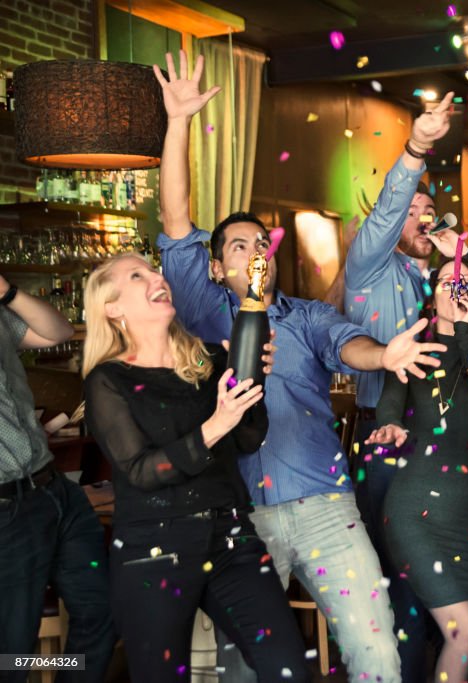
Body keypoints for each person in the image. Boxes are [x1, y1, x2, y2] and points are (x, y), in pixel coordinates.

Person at [153, 50, 447, 683]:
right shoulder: (204, 315)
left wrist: (385, 353)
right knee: (244, 666)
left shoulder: (306, 315)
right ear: (214, 266)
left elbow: (350, 345)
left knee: (374, 650)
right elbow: (175, 221)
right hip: (236, 514)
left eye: (263, 242)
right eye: (239, 244)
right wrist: (177, 122)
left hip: (323, 502)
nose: (256, 251)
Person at [81, 253, 308, 682]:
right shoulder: (108, 380)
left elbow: (247, 438)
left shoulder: (207, 359)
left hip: (231, 538)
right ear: (112, 308)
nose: (156, 277)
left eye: (153, 269)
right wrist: (213, 426)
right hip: (154, 549)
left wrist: (253, 383)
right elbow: (142, 471)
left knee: (289, 669)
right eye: (137, 275)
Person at [342, 95, 468, 682]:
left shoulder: (431, 276)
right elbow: (387, 216)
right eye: (412, 212)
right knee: (404, 596)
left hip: (459, 448)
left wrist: (462, 257)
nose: (423, 218)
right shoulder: (370, 267)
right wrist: (415, 150)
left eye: (431, 210)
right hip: (392, 438)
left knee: (466, 599)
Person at [366, 258, 468, 683]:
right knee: (464, 633)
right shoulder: (414, 348)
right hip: (417, 512)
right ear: (431, 295)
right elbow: (390, 401)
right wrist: (390, 424)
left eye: (465, 282)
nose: (456, 288)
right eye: (447, 282)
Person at [0, 274, 115, 683]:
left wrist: (7, 293)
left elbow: (58, 332)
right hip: (8, 509)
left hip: (54, 491)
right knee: (12, 650)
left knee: (102, 612)